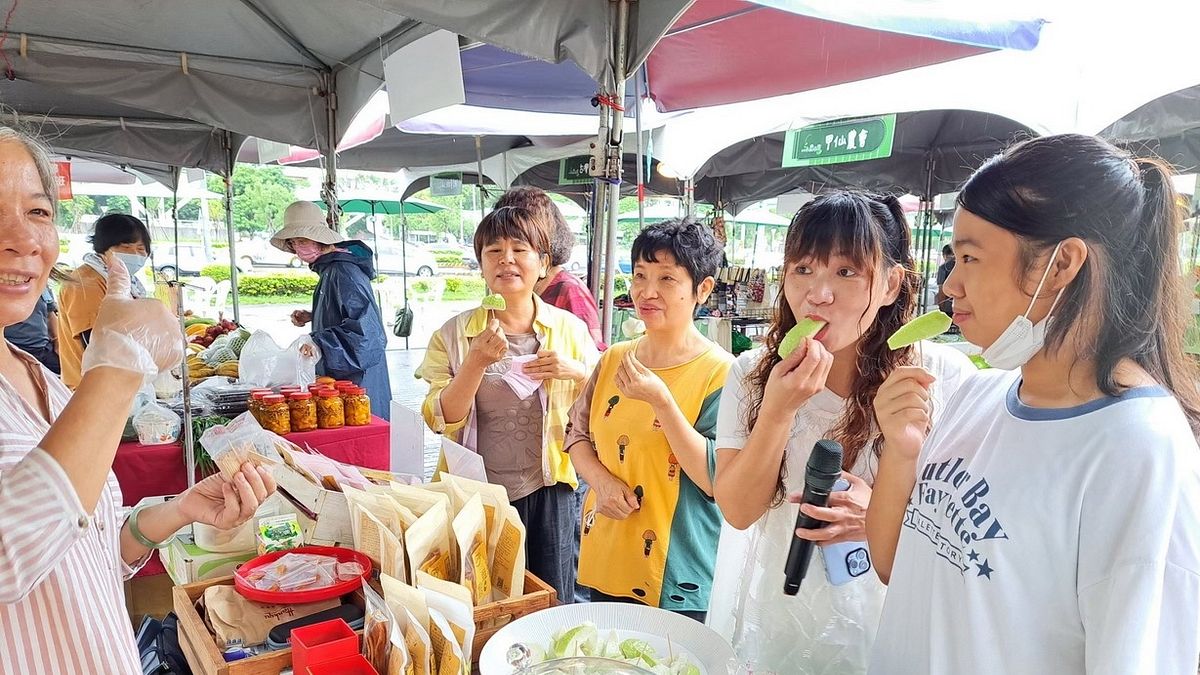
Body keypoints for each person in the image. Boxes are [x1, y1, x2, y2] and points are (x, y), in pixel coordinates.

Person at [867, 135, 1200, 674]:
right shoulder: (977, 395)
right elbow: (899, 570)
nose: (950, 284)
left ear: (1064, 263)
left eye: (971, 256)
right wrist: (902, 457)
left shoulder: (1140, 453)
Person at [0, 126, 277, 674]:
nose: (24, 238)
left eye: (37, 212)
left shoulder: (40, 379)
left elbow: (82, 547)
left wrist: (175, 512)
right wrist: (118, 368)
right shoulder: (88, 368)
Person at [708, 192, 973, 672]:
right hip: (780, 612)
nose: (818, 293)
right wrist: (776, 412)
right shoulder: (752, 372)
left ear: (892, 284)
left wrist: (881, 514)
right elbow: (739, 510)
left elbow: (961, 532)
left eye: (846, 272)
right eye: (803, 269)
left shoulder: (939, 378)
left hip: (889, 619)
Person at [417, 206, 598, 602]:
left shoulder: (570, 330)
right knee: (486, 598)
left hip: (551, 488)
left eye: (520, 248)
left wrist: (578, 371)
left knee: (552, 599)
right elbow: (437, 417)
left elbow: (603, 406)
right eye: (493, 250)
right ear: (481, 264)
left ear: (543, 263)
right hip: (477, 492)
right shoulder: (454, 334)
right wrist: (475, 363)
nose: (506, 260)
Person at [566, 218, 732, 622]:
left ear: (702, 289)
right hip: (607, 556)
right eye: (640, 275)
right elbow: (576, 435)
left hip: (675, 572)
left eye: (667, 279)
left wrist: (662, 403)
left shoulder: (722, 374)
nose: (647, 291)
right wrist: (601, 482)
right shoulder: (614, 359)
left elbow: (715, 479)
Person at [273, 201, 392, 420]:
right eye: (293, 242)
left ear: (320, 240)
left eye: (302, 241)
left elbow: (367, 335)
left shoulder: (343, 271)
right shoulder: (330, 270)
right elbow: (346, 313)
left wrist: (317, 341)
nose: (298, 248)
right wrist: (314, 316)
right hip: (345, 382)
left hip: (358, 384)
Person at [495, 187, 606, 350]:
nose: (507, 258)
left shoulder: (570, 291)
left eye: (519, 246)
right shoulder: (512, 289)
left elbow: (595, 362)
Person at [57, 213, 152, 389]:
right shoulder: (85, 282)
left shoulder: (123, 281)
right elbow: (96, 343)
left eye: (141, 249)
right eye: (126, 247)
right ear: (103, 248)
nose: (135, 254)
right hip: (90, 388)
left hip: (117, 384)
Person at [5, 284, 59, 373]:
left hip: (44, 348)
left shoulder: (41, 285)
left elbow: (50, 313)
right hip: (15, 351)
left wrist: (57, 341)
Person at [934, 244, 954, 317]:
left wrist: (941, 307)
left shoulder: (943, 268)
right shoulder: (962, 266)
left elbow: (941, 290)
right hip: (962, 306)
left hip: (948, 307)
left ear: (944, 255)